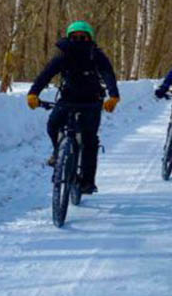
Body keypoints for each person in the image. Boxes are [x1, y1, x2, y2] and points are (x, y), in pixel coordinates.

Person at [26, 20, 120, 195]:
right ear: (69, 37)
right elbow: (46, 74)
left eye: (83, 37)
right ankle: (58, 152)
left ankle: (87, 182)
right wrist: (34, 93)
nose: (79, 39)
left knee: (90, 141)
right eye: (74, 36)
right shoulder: (64, 55)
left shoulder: (96, 55)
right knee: (53, 124)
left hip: (92, 101)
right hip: (67, 99)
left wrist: (113, 96)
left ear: (89, 38)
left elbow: (108, 74)